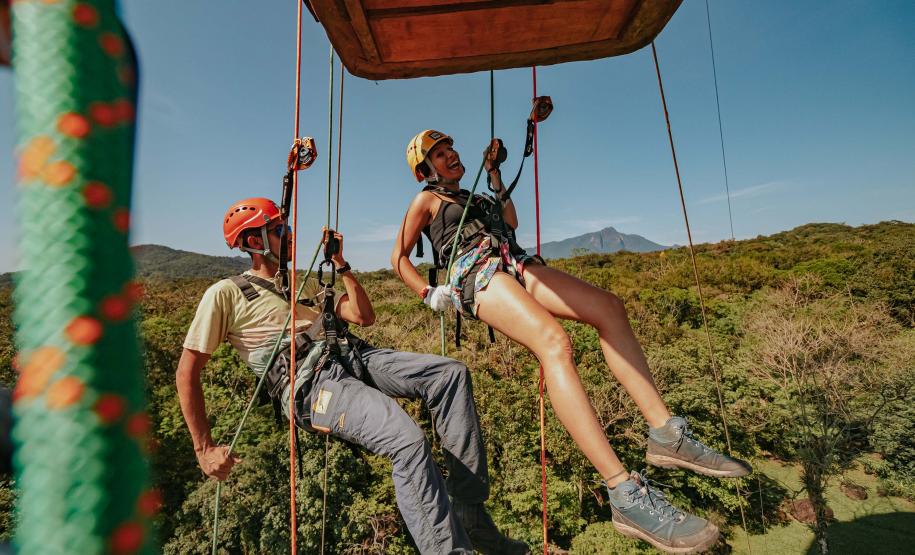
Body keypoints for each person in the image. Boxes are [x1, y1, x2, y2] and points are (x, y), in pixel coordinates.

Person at [391, 131, 753, 554]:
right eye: (439, 154)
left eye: (450, 148)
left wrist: (494, 173)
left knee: (609, 307)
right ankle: (623, 491)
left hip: (512, 260)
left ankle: (666, 433)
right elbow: (398, 257)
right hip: (477, 273)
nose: (451, 154)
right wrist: (427, 292)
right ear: (426, 169)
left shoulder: (476, 196)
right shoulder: (426, 201)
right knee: (554, 343)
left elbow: (511, 222)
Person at [176, 197, 530, 555]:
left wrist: (341, 265)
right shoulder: (227, 293)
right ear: (255, 241)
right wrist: (204, 449)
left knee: (449, 374)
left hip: (351, 355)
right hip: (311, 382)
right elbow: (187, 370)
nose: (291, 234)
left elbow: (363, 316)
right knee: (406, 441)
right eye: (280, 229)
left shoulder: (301, 285)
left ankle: (469, 510)